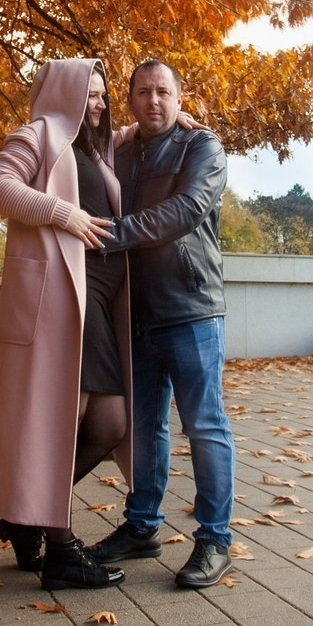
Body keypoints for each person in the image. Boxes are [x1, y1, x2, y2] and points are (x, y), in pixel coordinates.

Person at [0, 58, 131, 590]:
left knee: (110, 425)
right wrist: (62, 213)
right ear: (66, 92)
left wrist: (169, 116)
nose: (100, 103)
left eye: (103, 95)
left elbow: (125, 135)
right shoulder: (39, 134)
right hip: (62, 304)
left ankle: (27, 520)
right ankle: (61, 549)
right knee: (65, 423)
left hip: (97, 306)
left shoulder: (92, 149)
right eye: (90, 93)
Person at [87, 59, 235, 589]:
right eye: (144, 92)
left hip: (192, 309)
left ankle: (215, 539)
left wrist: (111, 234)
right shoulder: (121, 152)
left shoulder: (203, 147)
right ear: (130, 100)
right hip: (136, 313)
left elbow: (185, 210)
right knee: (144, 427)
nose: (154, 101)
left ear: (179, 98)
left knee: (205, 426)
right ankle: (142, 525)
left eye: (163, 92)